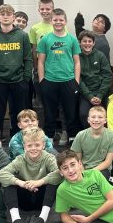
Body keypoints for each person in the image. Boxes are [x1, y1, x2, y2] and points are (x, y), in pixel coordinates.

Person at [0, 128, 61, 223]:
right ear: (24, 146)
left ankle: (42, 218)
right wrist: (21, 183)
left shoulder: (49, 158)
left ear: (43, 145)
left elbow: (59, 173)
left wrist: (39, 182)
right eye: (30, 145)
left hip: (42, 199)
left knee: (54, 181)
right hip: (24, 199)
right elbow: (1, 174)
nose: (33, 148)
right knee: (8, 182)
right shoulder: (20, 159)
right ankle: (16, 220)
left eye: (37, 145)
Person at [0, 3, 33, 138]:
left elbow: (28, 58)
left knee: (18, 112)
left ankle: (17, 137)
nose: (5, 17)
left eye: (9, 14)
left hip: (19, 80)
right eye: (2, 14)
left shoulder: (22, 35)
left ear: (13, 17)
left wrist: (26, 78)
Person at [37, 8, 81, 143]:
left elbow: (77, 62)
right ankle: (49, 137)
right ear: (51, 21)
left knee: (70, 111)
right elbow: (41, 61)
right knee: (49, 111)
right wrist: (42, 80)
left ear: (65, 21)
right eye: (55, 20)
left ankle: (72, 136)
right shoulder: (45, 39)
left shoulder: (72, 39)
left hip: (69, 80)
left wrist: (76, 81)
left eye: (61, 20)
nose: (58, 22)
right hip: (49, 81)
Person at [71, 106, 113, 180]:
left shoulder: (112, 136)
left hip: (102, 169)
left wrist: (91, 172)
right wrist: (83, 172)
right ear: (88, 120)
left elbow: (108, 162)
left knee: (96, 179)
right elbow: (78, 159)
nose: (96, 120)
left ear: (105, 120)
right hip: (83, 168)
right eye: (93, 117)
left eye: (100, 117)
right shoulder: (80, 135)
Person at [77, 30, 112, 128]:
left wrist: (100, 95)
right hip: (86, 93)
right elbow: (78, 79)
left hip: (103, 92)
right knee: (84, 114)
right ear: (80, 43)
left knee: (111, 112)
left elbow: (107, 76)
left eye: (90, 41)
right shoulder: (76, 57)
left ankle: (107, 134)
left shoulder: (100, 55)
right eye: (84, 41)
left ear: (93, 43)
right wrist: (89, 96)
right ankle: (90, 134)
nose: (87, 44)